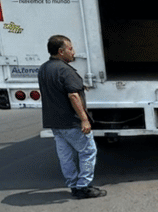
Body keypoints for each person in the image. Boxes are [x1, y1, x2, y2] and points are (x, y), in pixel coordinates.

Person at [37, 35, 106, 199]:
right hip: (70, 121)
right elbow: (73, 96)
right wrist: (84, 118)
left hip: (55, 122)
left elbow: (59, 88)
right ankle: (83, 186)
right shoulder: (65, 70)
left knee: (65, 156)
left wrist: (81, 87)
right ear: (61, 52)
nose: (73, 52)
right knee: (88, 151)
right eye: (70, 49)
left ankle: (74, 185)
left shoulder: (44, 68)